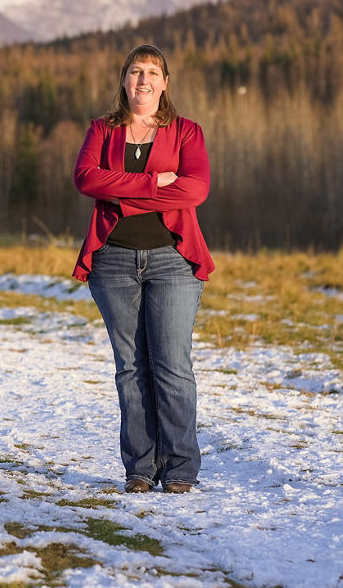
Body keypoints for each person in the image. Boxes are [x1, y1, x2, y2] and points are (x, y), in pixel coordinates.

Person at [71, 44, 215, 495]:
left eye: (153, 72)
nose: (144, 80)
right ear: (124, 80)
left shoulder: (187, 133)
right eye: (136, 71)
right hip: (113, 261)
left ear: (166, 83)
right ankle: (139, 469)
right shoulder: (101, 130)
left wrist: (121, 193)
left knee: (172, 366)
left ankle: (179, 470)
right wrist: (156, 184)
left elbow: (195, 191)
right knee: (130, 369)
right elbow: (86, 179)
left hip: (172, 260)